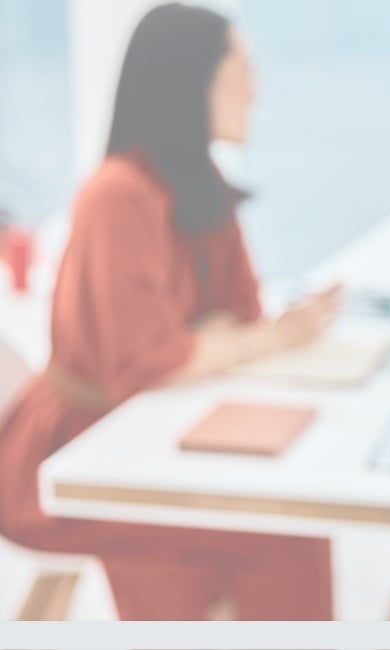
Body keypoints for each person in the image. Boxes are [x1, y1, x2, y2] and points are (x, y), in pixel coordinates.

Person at [0, 4, 338, 620]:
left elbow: (243, 312)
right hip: (70, 450)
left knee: (287, 514)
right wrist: (238, 341)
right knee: (281, 533)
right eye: (240, 68)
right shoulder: (117, 193)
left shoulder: (202, 180)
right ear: (189, 83)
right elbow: (153, 362)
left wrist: (217, 343)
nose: (255, 85)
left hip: (145, 428)